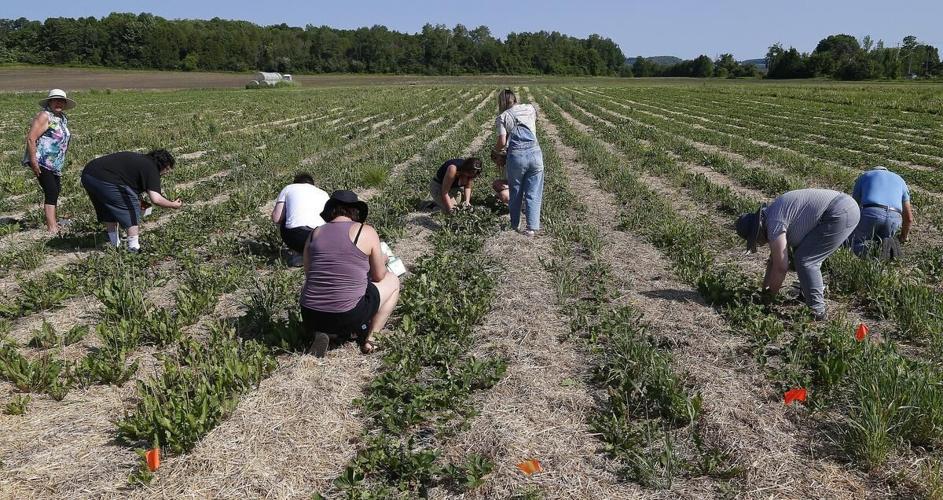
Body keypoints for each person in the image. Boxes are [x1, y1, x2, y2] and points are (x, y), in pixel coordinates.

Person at [300, 190, 400, 357]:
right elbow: (379, 276)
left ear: (330, 211)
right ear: (356, 211)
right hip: (347, 315)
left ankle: (324, 331)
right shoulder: (365, 231)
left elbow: (310, 274)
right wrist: (382, 259)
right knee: (393, 281)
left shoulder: (313, 234)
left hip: (310, 315)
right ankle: (372, 338)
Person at [736, 189, 860, 321]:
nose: (761, 242)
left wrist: (768, 299)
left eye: (757, 239)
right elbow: (773, 261)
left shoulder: (774, 223)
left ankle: (817, 312)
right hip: (842, 207)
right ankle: (806, 293)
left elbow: (780, 267)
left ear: (758, 227)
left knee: (806, 260)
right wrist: (764, 291)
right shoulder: (772, 215)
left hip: (838, 212)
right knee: (803, 252)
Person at [80, 150, 182, 252]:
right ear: (164, 165)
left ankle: (115, 244)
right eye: (168, 169)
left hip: (88, 174)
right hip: (106, 178)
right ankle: (134, 248)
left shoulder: (140, 160)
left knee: (108, 209)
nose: (167, 173)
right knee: (131, 208)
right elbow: (156, 199)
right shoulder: (151, 168)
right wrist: (172, 204)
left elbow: (129, 183)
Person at [23, 89, 74, 233]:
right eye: (55, 100)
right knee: (51, 191)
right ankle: (52, 227)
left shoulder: (62, 118)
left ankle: (54, 223)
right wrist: (33, 161)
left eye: (61, 101)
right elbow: (31, 138)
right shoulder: (44, 116)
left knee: (56, 190)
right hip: (42, 160)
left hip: (55, 163)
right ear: (50, 102)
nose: (59, 103)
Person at [495, 89, 544, 236]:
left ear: (501, 102)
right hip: (535, 154)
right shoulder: (530, 108)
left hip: (516, 156)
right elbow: (536, 120)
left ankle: (515, 224)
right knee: (533, 192)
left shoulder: (502, 116)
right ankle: (532, 228)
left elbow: (502, 142)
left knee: (515, 192)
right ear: (515, 98)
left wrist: (496, 150)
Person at [848, 166, 914, 257]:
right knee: (885, 246)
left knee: (854, 242)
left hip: (871, 212)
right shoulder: (900, 180)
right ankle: (888, 262)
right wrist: (904, 237)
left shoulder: (865, 176)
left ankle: (862, 262)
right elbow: (909, 218)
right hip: (894, 216)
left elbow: (854, 205)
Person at [271, 172, 330, 264]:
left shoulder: (288, 188)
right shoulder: (323, 193)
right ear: (312, 184)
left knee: (284, 218)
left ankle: (298, 254)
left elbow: (276, 218)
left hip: (297, 237)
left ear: (295, 183)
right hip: (321, 238)